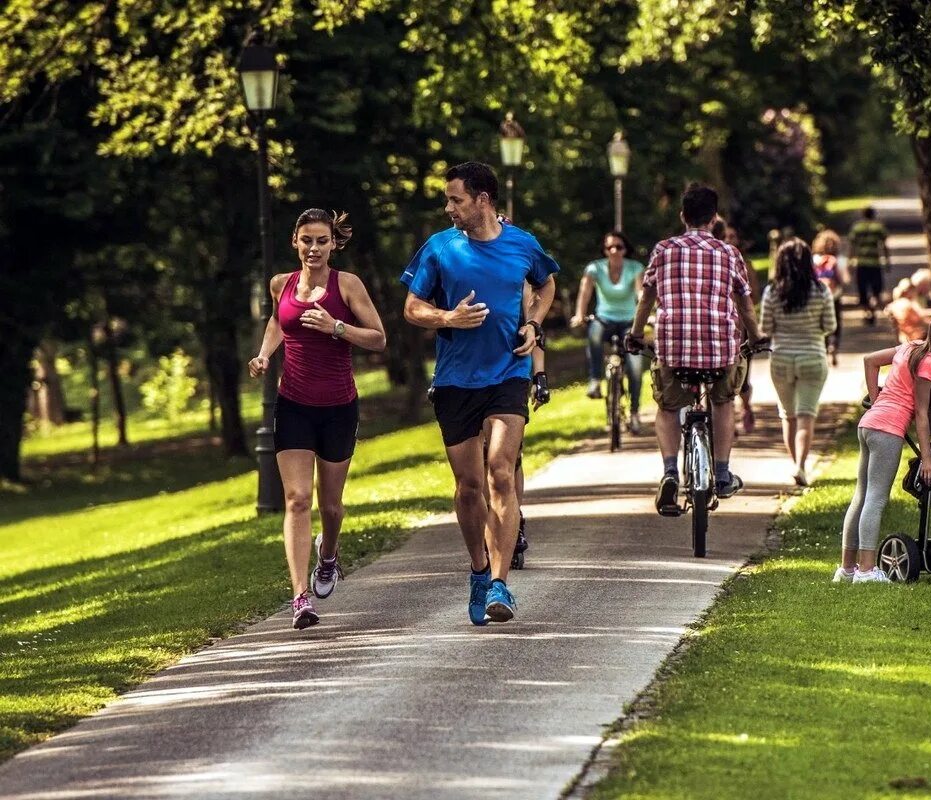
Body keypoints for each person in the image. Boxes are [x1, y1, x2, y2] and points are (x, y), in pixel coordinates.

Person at [401, 162, 558, 625]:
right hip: (454, 382)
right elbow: (411, 307)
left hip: (508, 372)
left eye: (456, 199)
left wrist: (533, 323)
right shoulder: (439, 248)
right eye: (448, 200)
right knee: (470, 488)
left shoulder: (522, 244)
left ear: (483, 199)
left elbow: (546, 284)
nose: (449, 208)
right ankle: (478, 567)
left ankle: (501, 584)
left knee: (501, 472)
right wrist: (448, 319)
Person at [248, 209, 388, 630]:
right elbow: (278, 321)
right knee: (296, 500)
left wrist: (336, 327)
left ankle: (328, 556)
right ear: (295, 241)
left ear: (333, 244)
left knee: (331, 505)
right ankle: (299, 598)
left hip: (339, 408)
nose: (313, 248)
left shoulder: (347, 285)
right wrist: (264, 354)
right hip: (293, 405)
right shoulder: (281, 285)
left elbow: (379, 338)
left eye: (321, 241)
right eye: (306, 240)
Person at [626, 184, 768, 513]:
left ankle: (670, 472)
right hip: (720, 348)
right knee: (723, 400)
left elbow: (646, 297)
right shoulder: (729, 253)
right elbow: (745, 305)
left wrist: (635, 333)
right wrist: (756, 336)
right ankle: (720, 473)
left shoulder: (663, 250)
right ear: (714, 218)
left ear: (682, 216)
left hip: (673, 348)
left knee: (667, 407)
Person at [838, 317, 931, 584]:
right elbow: (922, 415)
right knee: (876, 499)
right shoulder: (929, 362)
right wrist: (928, 458)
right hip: (888, 430)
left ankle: (846, 569)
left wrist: (876, 401)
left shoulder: (909, 347)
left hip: (868, 425)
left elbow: (870, 361)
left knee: (860, 497)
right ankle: (866, 571)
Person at [760, 238, 836, 487]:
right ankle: (801, 467)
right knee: (806, 416)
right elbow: (830, 326)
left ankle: (796, 465)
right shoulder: (821, 290)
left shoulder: (772, 291)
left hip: (781, 358)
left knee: (788, 416)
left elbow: (766, 327)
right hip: (812, 357)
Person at [570, 231, 646, 433]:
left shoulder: (635, 268)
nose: (614, 251)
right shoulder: (594, 268)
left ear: (625, 249)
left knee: (636, 367)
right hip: (604, 319)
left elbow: (641, 293)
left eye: (619, 247)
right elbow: (585, 292)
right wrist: (579, 314)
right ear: (604, 250)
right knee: (594, 334)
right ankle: (595, 380)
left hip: (629, 322)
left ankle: (635, 412)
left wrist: (647, 313)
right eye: (609, 247)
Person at [719, 220, 761, 435]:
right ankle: (730, 420)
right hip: (719, 328)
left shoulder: (745, 264)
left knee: (742, 379)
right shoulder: (714, 262)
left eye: (732, 237)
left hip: (741, 329)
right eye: (725, 236)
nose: (728, 240)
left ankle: (745, 407)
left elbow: (754, 294)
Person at [847, 205, 891, 324]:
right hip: (875, 263)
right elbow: (884, 245)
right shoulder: (878, 227)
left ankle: (867, 310)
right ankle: (873, 305)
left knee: (863, 288)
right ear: (873, 214)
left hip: (861, 263)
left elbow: (852, 246)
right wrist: (887, 260)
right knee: (876, 288)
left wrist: (850, 261)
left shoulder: (857, 228)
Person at [811, 228, 847, 365]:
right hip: (835, 294)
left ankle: (825, 347)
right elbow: (843, 279)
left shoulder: (814, 260)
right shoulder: (837, 260)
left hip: (819, 296)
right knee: (836, 321)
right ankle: (834, 345)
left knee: (822, 322)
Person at [885, 277, 931, 343]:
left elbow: (918, 314)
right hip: (914, 337)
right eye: (913, 290)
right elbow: (920, 319)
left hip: (903, 336)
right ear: (909, 291)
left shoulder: (895, 304)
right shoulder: (907, 304)